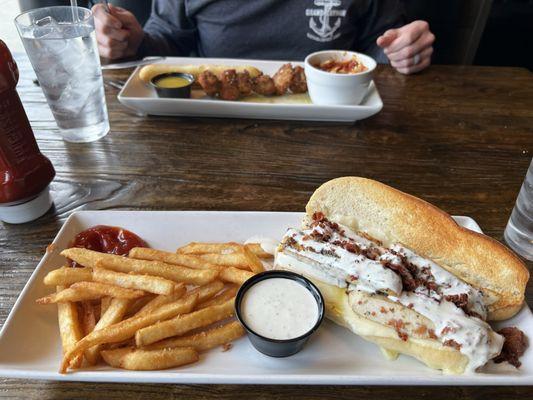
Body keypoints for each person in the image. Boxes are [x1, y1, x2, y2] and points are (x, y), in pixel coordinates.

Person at [92, 0, 435, 75]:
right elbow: (168, 40)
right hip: (210, 124)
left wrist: (404, 49)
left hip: (341, 128)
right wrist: (131, 42)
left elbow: (379, 44)